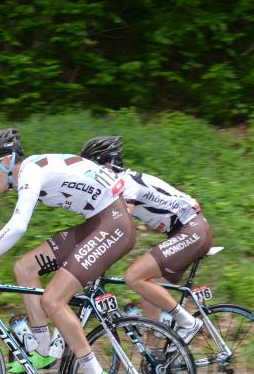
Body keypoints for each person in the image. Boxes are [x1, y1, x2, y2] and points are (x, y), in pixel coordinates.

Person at [0, 128, 135, 374]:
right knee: (24, 268)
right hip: (96, 222)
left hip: (113, 224)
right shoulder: (32, 169)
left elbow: (18, 226)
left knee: (53, 300)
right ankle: (44, 348)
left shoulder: (30, 171)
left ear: (6, 161)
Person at [80, 136, 212, 343]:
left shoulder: (126, 184)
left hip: (192, 230)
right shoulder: (119, 185)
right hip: (185, 232)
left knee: (134, 277)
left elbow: (120, 226)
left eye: (91, 168)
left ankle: (187, 322)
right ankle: (154, 360)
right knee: (148, 291)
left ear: (105, 165)